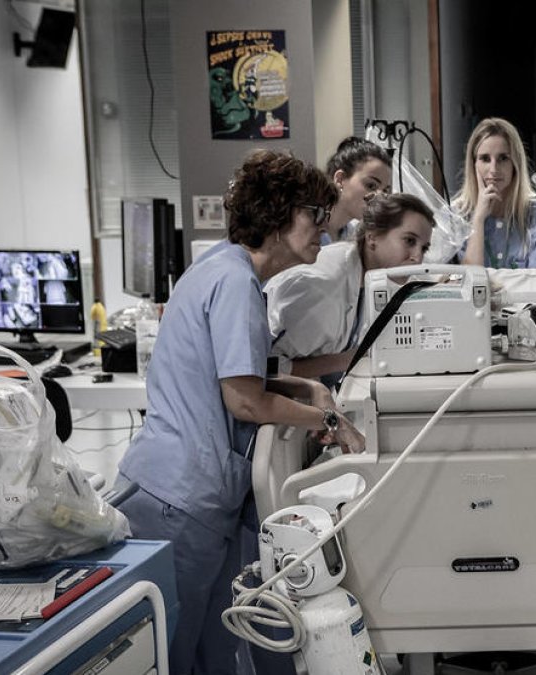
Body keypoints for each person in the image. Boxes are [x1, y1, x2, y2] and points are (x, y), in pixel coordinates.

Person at [116, 150, 366, 675]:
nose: (324, 228)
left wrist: (304, 389)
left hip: (176, 492)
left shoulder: (218, 268)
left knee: (211, 646)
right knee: (177, 653)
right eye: (313, 215)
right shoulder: (235, 285)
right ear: (276, 213)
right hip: (181, 500)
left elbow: (233, 377)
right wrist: (329, 423)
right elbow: (244, 401)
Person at [265, 192, 435, 383]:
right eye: (409, 241)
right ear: (372, 238)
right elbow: (265, 366)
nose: (418, 257)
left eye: (424, 248)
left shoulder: (370, 277)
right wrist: (343, 361)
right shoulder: (323, 289)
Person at [452, 117, 536, 269]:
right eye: (485, 159)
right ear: (473, 164)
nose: (493, 169)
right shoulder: (455, 216)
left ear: (515, 164)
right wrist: (478, 219)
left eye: (503, 158)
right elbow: (467, 284)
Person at [324, 136, 393, 241]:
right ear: (340, 179)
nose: (379, 197)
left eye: (385, 191)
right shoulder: (304, 230)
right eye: (371, 186)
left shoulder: (354, 236)